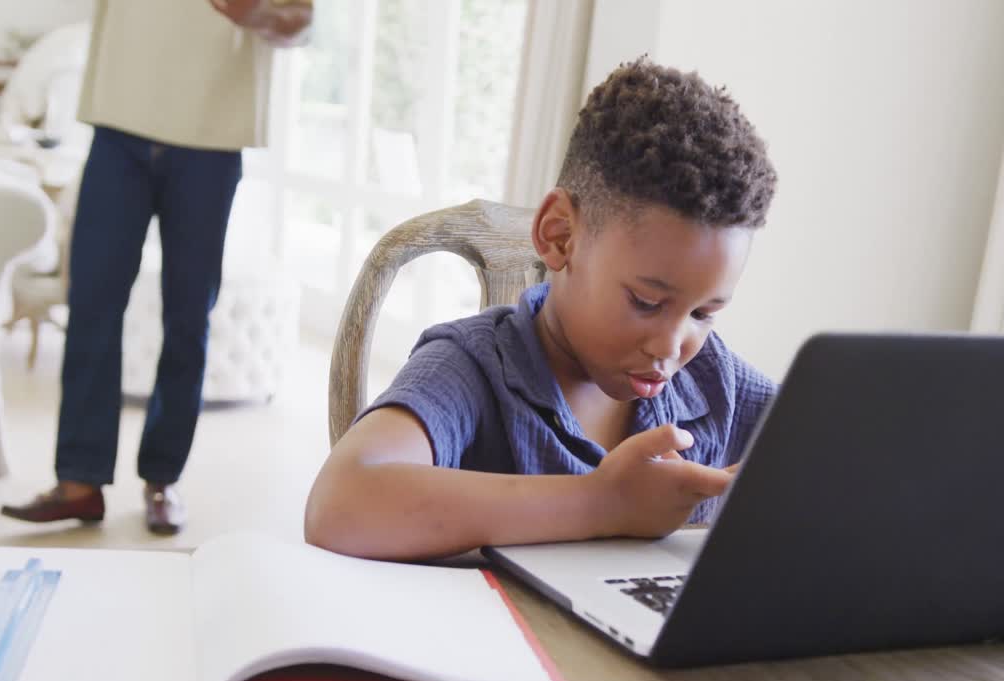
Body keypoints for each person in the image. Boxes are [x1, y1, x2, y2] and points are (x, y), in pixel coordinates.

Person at [305, 57, 779, 561]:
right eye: (646, 302)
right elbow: (340, 504)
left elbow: (842, 453)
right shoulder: (473, 366)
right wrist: (604, 504)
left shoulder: (711, 377)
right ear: (560, 236)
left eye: (703, 314)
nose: (671, 345)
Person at [1, 0, 311, 534]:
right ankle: (79, 481)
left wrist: (255, 14)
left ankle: (163, 478)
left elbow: (300, 20)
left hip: (210, 142)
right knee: (92, 303)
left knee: (188, 315)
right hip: (119, 128)